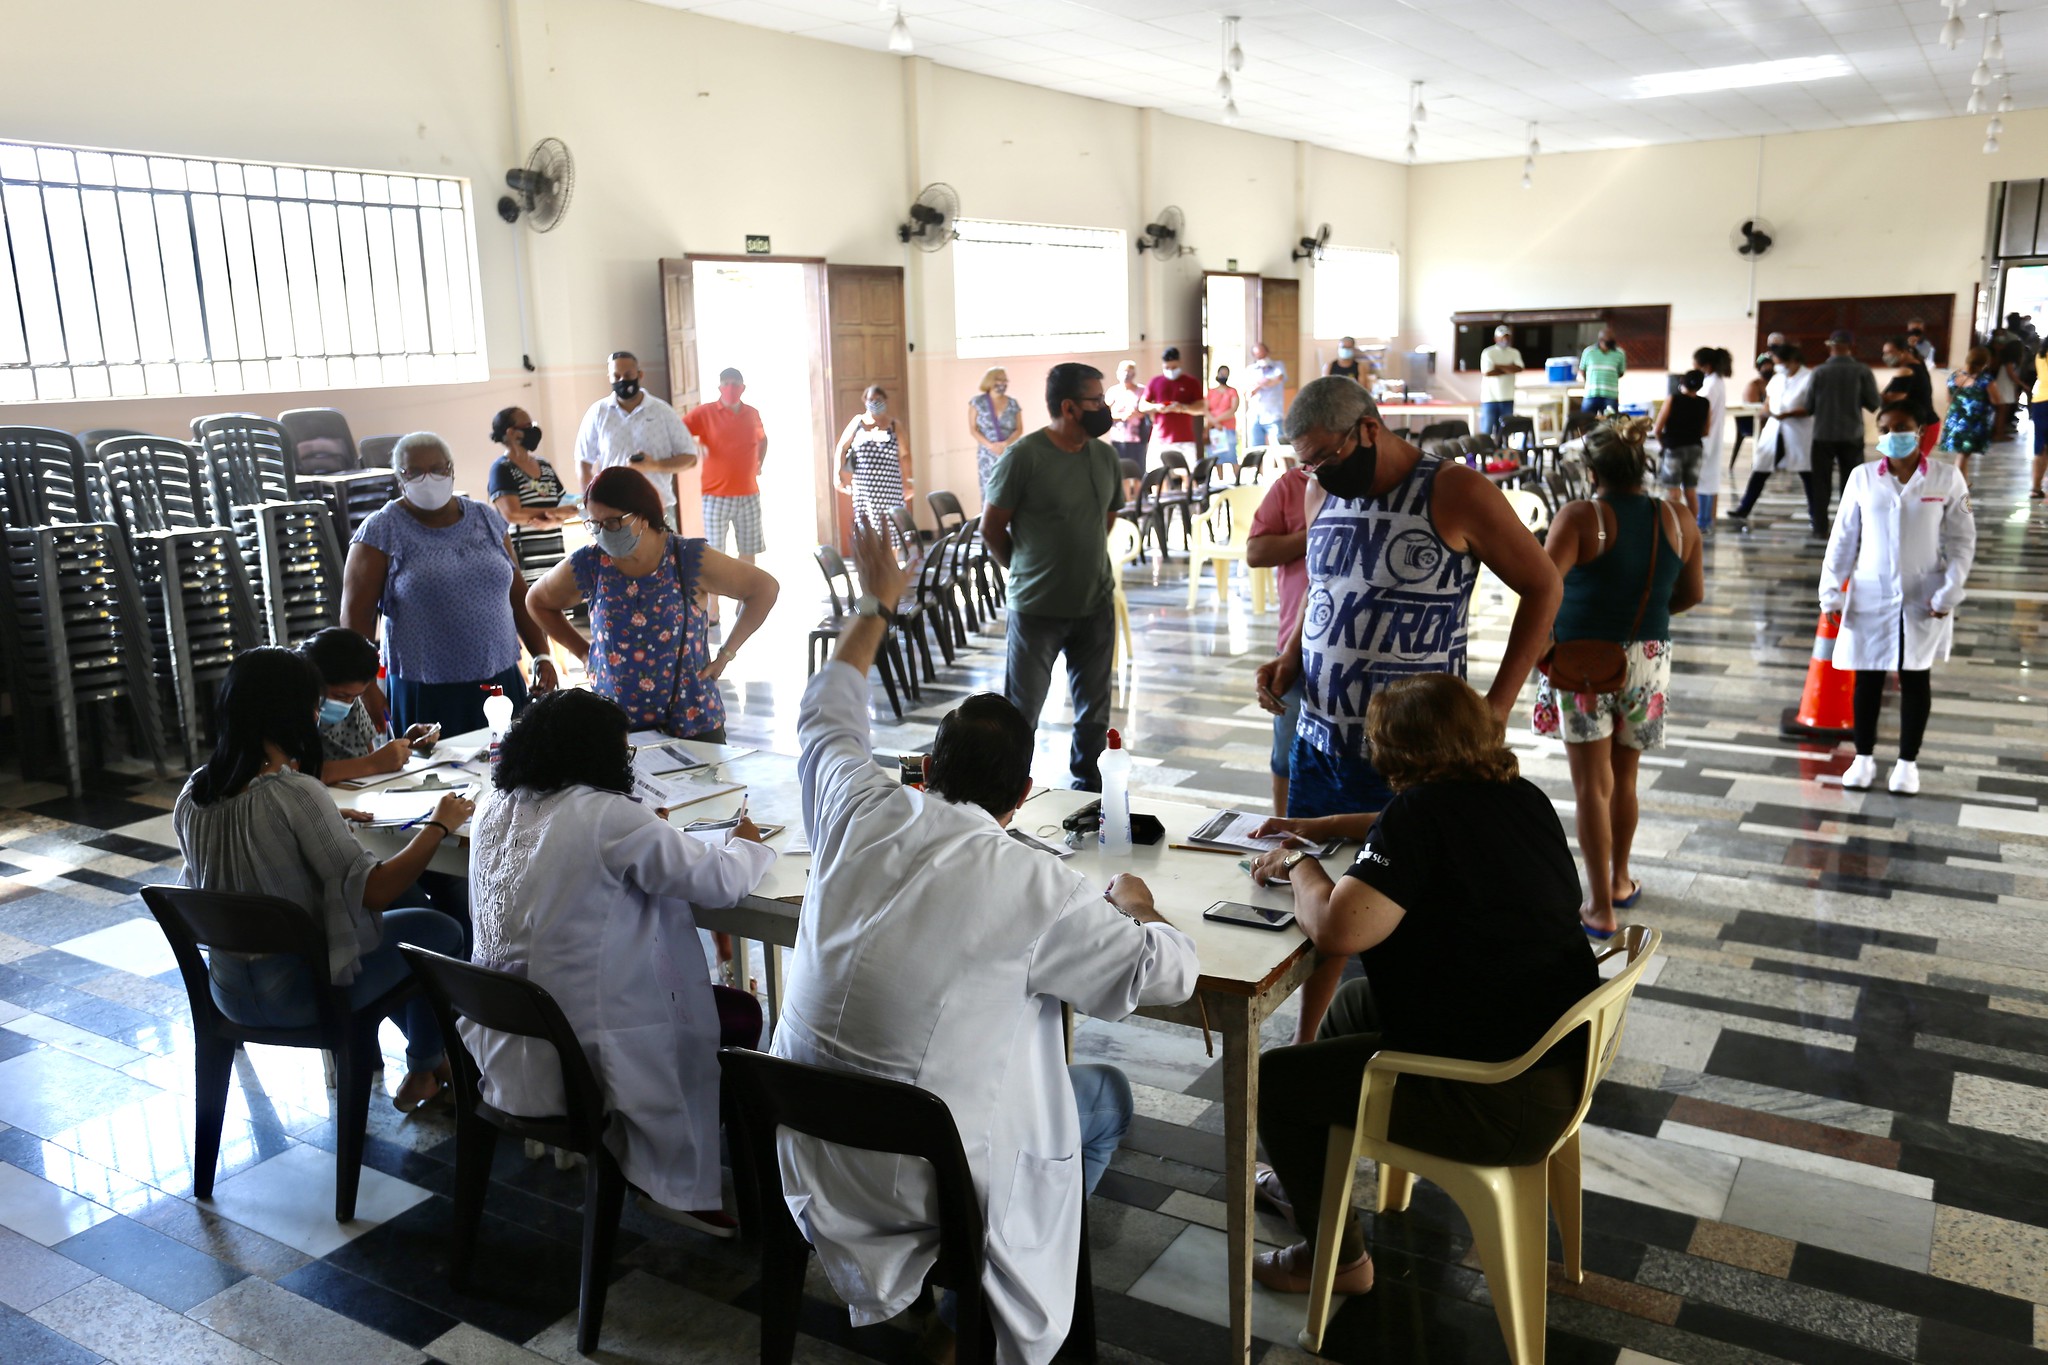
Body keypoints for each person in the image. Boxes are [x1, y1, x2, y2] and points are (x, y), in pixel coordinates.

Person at [771, 526, 1198, 1365]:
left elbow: (827, 706)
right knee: (1102, 1096)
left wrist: (877, 600)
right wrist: (1140, 907)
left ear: (924, 766)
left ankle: (929, 1303)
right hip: (922, 1177)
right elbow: (1166, 975)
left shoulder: (858, 806)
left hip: (804, 1141)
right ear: (1025, 795)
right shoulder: (1036, 885)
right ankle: (977, 1297)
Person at [1242, 673, 1600, 1296]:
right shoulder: (1520, 797)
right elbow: (1402, 828)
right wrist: (1322, 826)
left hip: (1494, 1098)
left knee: (1278, 1082)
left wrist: (1298, 863)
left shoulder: (1421, 813)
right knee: (1357, 1002)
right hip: (1555, 1061)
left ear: (1391, 752)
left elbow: (1335, 930)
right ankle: (1316, 1180)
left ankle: (1340, 1262)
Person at [1252, 377, 1562, 1041]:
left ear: (1368, 428)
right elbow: (1327, 582)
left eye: (1325, 458)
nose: (1316, 474)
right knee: (1318, 903)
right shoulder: (1318, 488)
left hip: (1411, 753)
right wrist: (1290, 657)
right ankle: (1310, 1041)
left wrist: (1498, 705)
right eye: (1305, 463)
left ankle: (1414, 1036)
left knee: (1400, 907)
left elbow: (1543, 584)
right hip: (1321, 734)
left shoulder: (1453, 490)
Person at [464, 687, 776, 1234]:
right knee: (737, 1016)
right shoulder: (607, 815)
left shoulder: (494, 802)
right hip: (582, 1054)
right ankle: (676, 1186)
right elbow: (718, 880)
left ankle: (663, 1170)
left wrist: (642, 829)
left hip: (500, 1039)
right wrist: (749, 844)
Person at [173, 647, 471, 1113]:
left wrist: (325, 817)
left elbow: (212, 880)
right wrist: (439, 824)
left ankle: (430, 1067)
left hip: (227, 990)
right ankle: (426, 1066)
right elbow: (377, 890)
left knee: (390, 938)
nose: (319, 714)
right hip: (298, 994)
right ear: (293, 712)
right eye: (314, 703)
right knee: (438, 932)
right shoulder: (295, 793)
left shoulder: (192, 793)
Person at [1533, 420, 1703, 936]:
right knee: (1625, 779)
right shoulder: (1678, 518)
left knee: (1591, 786)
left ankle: (1599, 907)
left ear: (1591, 472)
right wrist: (1645, 618)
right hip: (1649, 659)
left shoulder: (1582, 516)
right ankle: (1621, 880)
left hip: (1585, 666)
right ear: (1642, 466)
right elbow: (1691, 593)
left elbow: (1544, 584)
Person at [527, 467, 777, 743]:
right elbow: (537, 601)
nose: (602, 532)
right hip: (614, 724)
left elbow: (764, 589)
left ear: (643, 517)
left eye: (612, 523)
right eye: (594, 524)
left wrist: (726, 654)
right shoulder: (592, 562)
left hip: (691, 720)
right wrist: (585, 654)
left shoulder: (687, 559)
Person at [341, 433, 557, 735]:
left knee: (511, 769)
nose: (427, 478)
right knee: (438, 777)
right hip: (425, 686)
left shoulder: (486, 519)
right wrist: (365, 686)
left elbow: (517, 594)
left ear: (451, 470)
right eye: (413, 472)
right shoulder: (381, 531)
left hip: (499, 678)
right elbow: (356, 619)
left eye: (438, 468)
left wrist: (542, 654)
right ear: (399, 477)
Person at [1822, 401, 1975, 796]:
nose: (1892, 434)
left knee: (1914, 675)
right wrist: (1831, 593)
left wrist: (1950, 590)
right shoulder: (1863, 477)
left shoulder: (1946, 478)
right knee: (1868, 675)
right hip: (1870, 591)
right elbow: (1842, 539)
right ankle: (1864, 756)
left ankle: (1908, 762)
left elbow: (1961, 541)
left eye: (1902, 426)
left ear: (1921, 430)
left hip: (1925, 594)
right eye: (1885, 427)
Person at [983, 364, 1125, 790]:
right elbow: (992, 528)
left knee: (1095, 713)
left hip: (1095, 605)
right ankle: (1007, 795)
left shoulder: (1105, 456)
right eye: (1095, 400)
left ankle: (1088, 791)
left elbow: (1108, 517)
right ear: (1068, 407)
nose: (1104, 407)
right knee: (1022, 712)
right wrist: (1029, 568)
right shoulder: (1023, 457)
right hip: (1037, 610)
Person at [1246, 463, 1319, 816]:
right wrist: (1318, 532)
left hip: (1359, 649)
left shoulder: (1376, 483)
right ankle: (1284, 834)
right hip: (1295, 643)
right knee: (1287, 749)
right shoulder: (1292, 485)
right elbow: (1256, 552)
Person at [300, 626, 437, 784]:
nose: (348, 704)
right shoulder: (291, 713)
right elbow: (293, 774)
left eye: (356, 696)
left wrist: (405, 745)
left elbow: (370, 754)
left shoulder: (354, 706)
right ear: (311, 680)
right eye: (340, 696)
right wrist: (373, 764)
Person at [573, 351, 698, 521]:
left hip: (659, 508)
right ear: (609, 377)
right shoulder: (598, 413)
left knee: (664, 549)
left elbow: (690, 458)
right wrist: (591, 502)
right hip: (612, 510)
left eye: (628, 375)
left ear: (639, 374)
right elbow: (583, 461)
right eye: (616, 376)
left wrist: (655, 465)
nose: (622, 380)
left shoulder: (662, 411)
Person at [1727, 344, 1821, 533]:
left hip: (1798, 431)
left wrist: (1788, 414)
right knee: (1760, 470)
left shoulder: (1809, 378)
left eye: (1780, 363)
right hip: (1775, 429)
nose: (1777, 367)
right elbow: (1768, 400)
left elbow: (1812, 406)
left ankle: (1816, 516)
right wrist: (1767, 411)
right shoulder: (1778, 378)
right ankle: (1744, 509)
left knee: (1808, 475)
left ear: (1793, 361)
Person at [684, 368, 770, 573]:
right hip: (714, 496)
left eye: (735, 384)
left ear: (743, 387)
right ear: (719, 387)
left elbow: (762, 438)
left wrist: (760, 462)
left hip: (748, 495)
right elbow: (679, 431)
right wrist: (694, 446)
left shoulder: (752, 413)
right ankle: (714, 604)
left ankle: (746, 599)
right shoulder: (705, 413)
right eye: (726, 383)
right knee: (714, 553)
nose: (730, 388)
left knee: (748, 551)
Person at [1809, 330, 1881, 503]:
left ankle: (1820, 527)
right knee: (1852, 481)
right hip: (1852, 433)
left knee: (1820, 481)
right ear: (1851, 347)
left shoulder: (1818, 372)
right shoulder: (1862, 371)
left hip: (1822, 434)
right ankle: (1849, 522)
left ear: (1830, 347)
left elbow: (1808, 406)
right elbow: (1873, 403)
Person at [834, 384, 911, 543]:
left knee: (891, 533)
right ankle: (871, 568)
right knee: (867, 532)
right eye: (871, 399)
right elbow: (842, 448)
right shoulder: (858, 422)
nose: (875, 402)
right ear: (865, 401)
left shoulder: (895, 425)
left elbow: (905, 455)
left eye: (878, 399)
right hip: (864, 492)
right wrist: (837, 475)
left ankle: (891, 566)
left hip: (890, 489)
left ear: (885, 400)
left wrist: (909, 481)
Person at [487, 406, 572, 531]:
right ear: (511, 433)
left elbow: (567, 507)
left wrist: (553, 522)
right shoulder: (501, 469)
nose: (533, 430)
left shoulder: (544, 465)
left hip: (553, 547)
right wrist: (555, 512)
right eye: (527, 426)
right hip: (519, 549)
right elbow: (512, 514)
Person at [1651, 369, 1710, 518]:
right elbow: (1706, 431)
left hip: (1674, 447)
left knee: (1673, 492)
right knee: (1691, 491)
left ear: (1682, 382)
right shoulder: (1705, 403)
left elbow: (1658, 428)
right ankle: (1692, 527)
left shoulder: (1673, 399)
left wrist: (1663, 444)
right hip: (1695, 448)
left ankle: (1673, 527)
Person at [1938, 346, 1996, 483]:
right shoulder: (1985, 380)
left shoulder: (1953, 377)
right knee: (1963, 455)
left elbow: (1948, 399)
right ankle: (1959, 484)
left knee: (1963, 454)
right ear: (1985, 362)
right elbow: (1996, 400)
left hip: (1955, 420)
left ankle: (1963, 480)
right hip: (1973, 422)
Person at [971, 366, 1026, 505]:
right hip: (987, 454)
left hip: (1009, 451)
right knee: (989, 488)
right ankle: (989, 523)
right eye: (998, 379)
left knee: (1010, 488)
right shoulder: (977, 403)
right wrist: (990, 446)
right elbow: (973, 429)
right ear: (990, 381)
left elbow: (1019, 429)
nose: (1002, 383)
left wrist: (1006, 444)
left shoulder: (1013, 403)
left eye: (1004, 380)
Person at [1142, 347, 1204, 468]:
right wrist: (1157, 407)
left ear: (1180, 362)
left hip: (1184, 438)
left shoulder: (1191, 382)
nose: (1170, 370)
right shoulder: (1155, 381)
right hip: (1159, 438)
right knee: (1157, 475)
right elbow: (1142, 405)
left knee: (1187, 475)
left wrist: (1182, 408)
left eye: (1174, 367)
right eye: (1167, 368)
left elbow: (1201, 407)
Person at [1881, 335, 1939, 461]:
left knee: (1911, 467)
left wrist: (1870, 395)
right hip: (1918, 426)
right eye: (1884, 353)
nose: (1886, 356)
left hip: (1921, 427)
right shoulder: (1917, 365)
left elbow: (1895, 398)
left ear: (1903, 352)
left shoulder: (1907, 370)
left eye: (1889, 352)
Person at [1693, 347, 1731, 525]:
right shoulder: (1718, 381)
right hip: (1714, 436)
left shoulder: (1708, 385)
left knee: (1702, 480)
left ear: (1705, 366)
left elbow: (1701, 413)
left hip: (1706, 437)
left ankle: (1703, 520)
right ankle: (1707, 519)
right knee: (1709, 479)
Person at [1730, 350, 1773, 471]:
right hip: (1753, 422)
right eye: (1765, 366)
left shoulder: (1775, 383)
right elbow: (1754, 409)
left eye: (1770, 366)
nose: (1768, 368)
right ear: (1759, 368)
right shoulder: (1754, 385)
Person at [1478, 324, 1522, 440]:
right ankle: (1484, 455)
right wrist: (1508, 368)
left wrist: (1497, 366)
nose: (1505, 340)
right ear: (1496, 338)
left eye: (1507, 337)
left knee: (1505, 431)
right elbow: (1488, 372)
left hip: (1507, 397)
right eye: (1502, 337)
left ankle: (1502, 455)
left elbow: (1518, 368)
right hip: (1489, 399)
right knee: (1486, 430)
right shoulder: (1488, 353)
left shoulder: (1514, 353)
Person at [1245, 341, 1287, 451]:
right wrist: (1262, 383)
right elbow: (1248, 393)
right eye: (1258, 354)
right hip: (1255, 415)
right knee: (1255, 450)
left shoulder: (1278, 366)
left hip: (1273, 414)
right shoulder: (1250, 370)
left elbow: (1278, 379)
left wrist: (1262, 383)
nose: (1260, 355)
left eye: (1262, 352)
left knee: (1279, 449)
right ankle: (1258, 469)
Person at [1578, 328, 1626, 416]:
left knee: (1610, 424)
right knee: (1585, 422)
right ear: (1600, 340)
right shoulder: (1589, 352)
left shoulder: (1620, 353)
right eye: (1609, 340)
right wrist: (1589, 382)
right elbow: (1582, 370)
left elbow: (1620, 372)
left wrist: (1608, 377)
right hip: (1591, 394)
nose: (1611, 343)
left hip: (1610, 395)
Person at [1206, 364, 1241, 467]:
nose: (1223, 376)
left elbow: (1233, 409)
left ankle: (1237, 481)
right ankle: (1220, 480)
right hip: (1214, 428)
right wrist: (1214, 423)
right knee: (1217, 459)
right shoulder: (1211, 392)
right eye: (1222, 373)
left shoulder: (1232, 391)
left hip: (1227, 428)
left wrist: (1215, 420)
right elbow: (1206, 409)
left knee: (1232, 457)